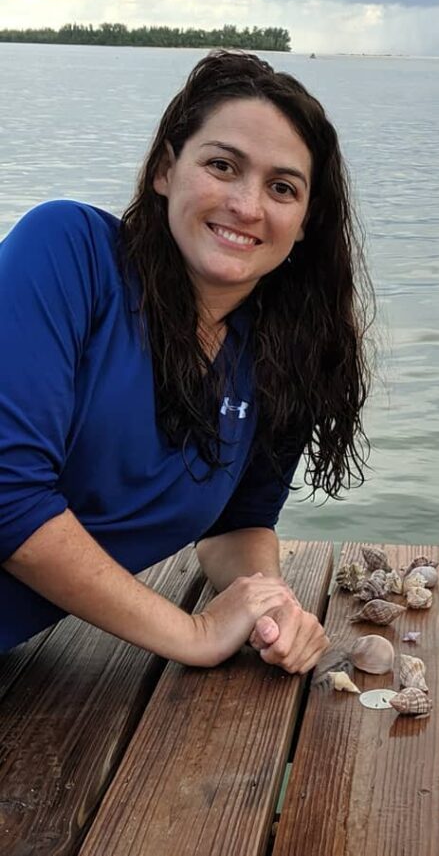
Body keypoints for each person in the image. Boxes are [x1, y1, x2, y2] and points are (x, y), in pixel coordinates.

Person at [0, 51, 372, 673]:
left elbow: (237, 524)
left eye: (282, 187)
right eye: (222, 166)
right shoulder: (68, 252)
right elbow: (7, 493)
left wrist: (267, 605)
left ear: (306, 222)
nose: (248, 206)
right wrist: (194, 631)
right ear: (166, 171)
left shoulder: (286, 352)